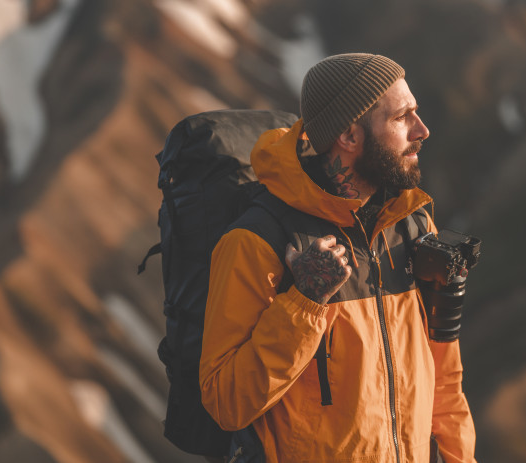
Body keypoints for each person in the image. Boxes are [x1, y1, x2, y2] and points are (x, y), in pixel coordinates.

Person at [199, 53, 476, 463]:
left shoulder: (413, 228)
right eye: (403, 118)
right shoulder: (257, 241)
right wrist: (304, 303)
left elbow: (445, 378)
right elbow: (226, 403)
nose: (423, 130)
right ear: (349, 136)